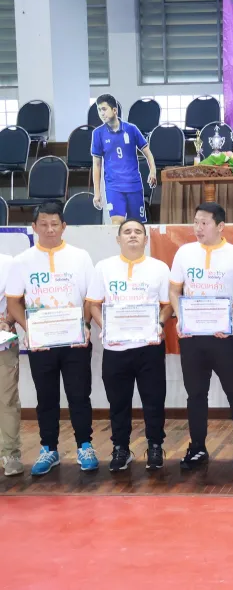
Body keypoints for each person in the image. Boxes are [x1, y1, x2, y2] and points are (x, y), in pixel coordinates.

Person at [6, 202, 95, 475]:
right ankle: (48, 449)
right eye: (43, 224)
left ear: (64, 226)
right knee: (46, 397)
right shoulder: (22, 261)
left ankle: (85, 445)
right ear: (34, 227)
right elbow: (13, 303)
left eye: (55, 224)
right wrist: (29, 328)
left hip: (75, 341)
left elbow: (90, 299)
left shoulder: (80, 257)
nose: (50, 229)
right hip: (41, 342)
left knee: (79, 395)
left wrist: (85, 324)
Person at [169, 202, 233, 471]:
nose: (198, 228)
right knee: (195, 394)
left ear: (220, 226)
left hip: (225, 337)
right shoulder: (184, 252)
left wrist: (231, 319)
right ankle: (197, 447)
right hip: (192, 338)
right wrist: (180, 317)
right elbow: (174, 291)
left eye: (204, 223)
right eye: (195, 222)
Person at [85, 220, 171, 471]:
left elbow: (167, 305)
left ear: (146, 239)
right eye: (127, 232)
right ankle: (121, 448)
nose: (133, 235)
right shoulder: (104, 267)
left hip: (149, 347)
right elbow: (93, 304)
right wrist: (106, 326)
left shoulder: (159, 268)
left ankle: (155, 445)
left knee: (154, 400)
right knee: (118, 402)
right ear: (118, 239)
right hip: (116, 348)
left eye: (138, 232)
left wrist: (159, 323)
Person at [91, 94, 157, 224]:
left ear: (114, 110)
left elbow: (148, 153)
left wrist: (153, 171)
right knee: (117, 223)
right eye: (99, 110)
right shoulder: (97, 134)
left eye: (104, 109)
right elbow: (96, 165)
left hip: (134, 184)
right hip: (113, 186)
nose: (101, 113)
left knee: (135, 225)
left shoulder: (131, 129)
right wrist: (97, 192)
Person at [0, 250, 19, 476]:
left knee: (7, 400)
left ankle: (10, 454)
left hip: (2, 343)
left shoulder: (8, 263)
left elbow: (17, 301)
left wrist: (7, 321)